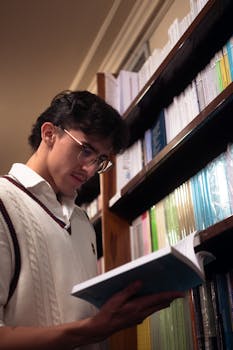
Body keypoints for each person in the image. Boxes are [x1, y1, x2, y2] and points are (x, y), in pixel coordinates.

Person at [0, 90, 184, 350]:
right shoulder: (4, 201)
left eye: (99, 160)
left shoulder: (82, 221)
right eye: (85, 149)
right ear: (49, 134)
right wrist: (90, 331)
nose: (90, 169)